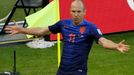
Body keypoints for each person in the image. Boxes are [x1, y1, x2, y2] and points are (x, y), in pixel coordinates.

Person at [5, 0, 129, 75]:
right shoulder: (63, 24)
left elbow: (103, 41)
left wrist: (115, 46)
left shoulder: (90, 27)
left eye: (79, 12)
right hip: (62, 70)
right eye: (73, 11)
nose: (76, 14)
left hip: (78, 72)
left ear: (84, 12)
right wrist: (22, 29)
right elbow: (43, 30)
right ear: (70, 11)